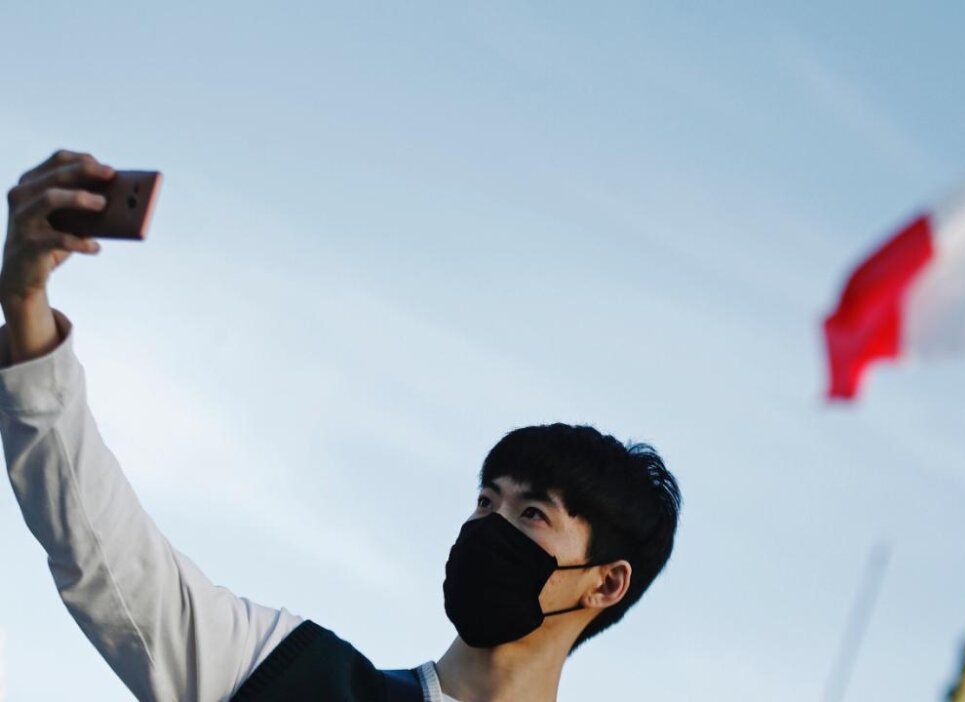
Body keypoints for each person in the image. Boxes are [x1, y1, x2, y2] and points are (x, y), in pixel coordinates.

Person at [0, 150, 682, 702]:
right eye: (485, 501)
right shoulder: (291, 677)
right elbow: (106, 557)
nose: (485, 527)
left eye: (531, 512)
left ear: (605, 583)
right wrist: (26, 309)